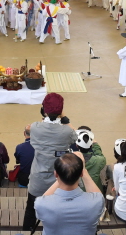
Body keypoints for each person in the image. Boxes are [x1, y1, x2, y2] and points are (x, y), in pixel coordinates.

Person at [23, 93, 78, 232]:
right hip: (60, 179)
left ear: (44, 111)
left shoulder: (35, 127)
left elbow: (30, 130)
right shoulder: (66, 131)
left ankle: (27, 230)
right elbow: (76, 136)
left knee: (31, 209)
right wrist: (65, 117)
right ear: (60, 111)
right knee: (59, 207)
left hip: (38, 179)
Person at [34, 152, 104, 235]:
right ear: (81, 174)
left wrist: (63, 174)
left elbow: (44, 198)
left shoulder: (41, 204)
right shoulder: (96, 202)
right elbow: (98, 195)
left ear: (56, 174)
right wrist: (83, 170)